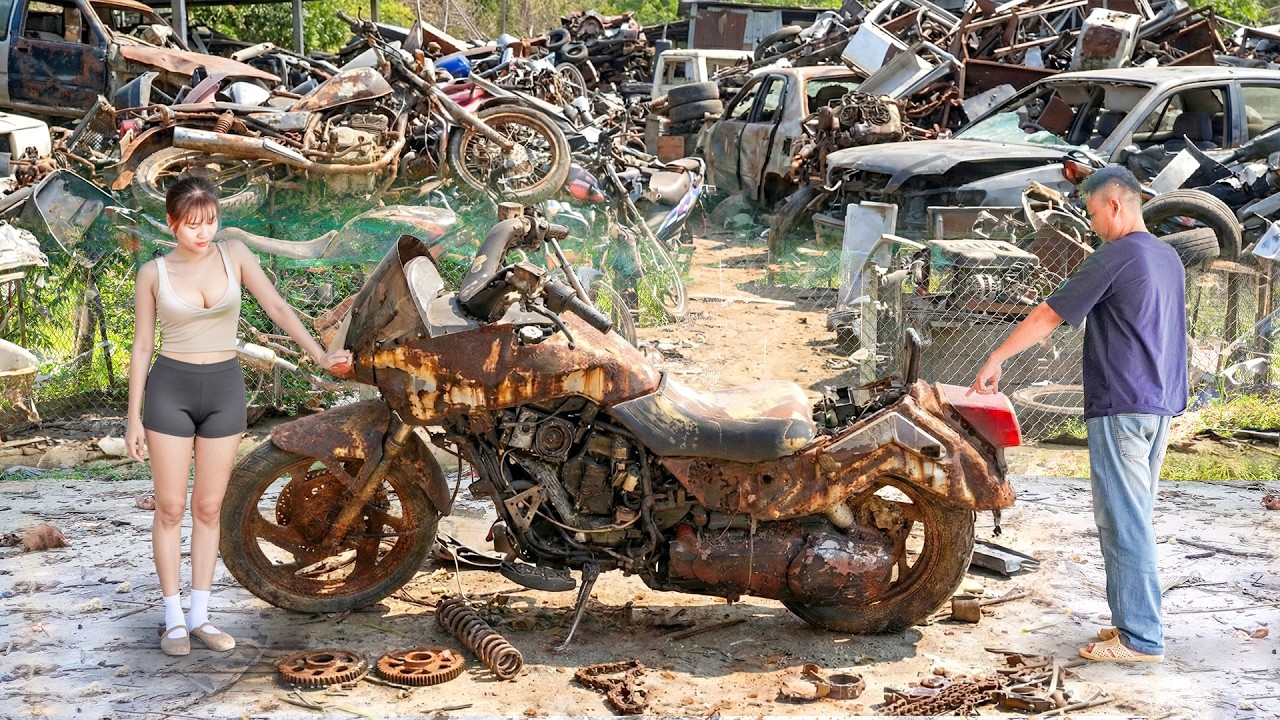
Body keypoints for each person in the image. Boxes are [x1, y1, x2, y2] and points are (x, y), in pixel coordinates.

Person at [125, 176, 353, 656]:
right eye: (192, 224)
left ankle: (201, 616)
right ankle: (172, 619)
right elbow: (142, 345)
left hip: (224, 389)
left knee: (209, 508)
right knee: (170, 508)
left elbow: (277, 308)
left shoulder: (235, 255)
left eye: (210, 222)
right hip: (170, 390)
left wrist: (319, 355)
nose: (203, 233)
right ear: (171, 223)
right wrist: (132, 418)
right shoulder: (153, 273)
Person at [969, 165, 1186, 664]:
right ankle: (1132, 621)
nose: (1092, 225)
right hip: (1159, 404)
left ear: (1115, 205)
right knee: (1134, 517)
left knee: (1123, 521)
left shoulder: (1115, 255)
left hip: (1122, 405)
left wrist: (998, 357)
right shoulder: (1168, 256)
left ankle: (1140, 638)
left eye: (1092, 214)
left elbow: (1050, 313)